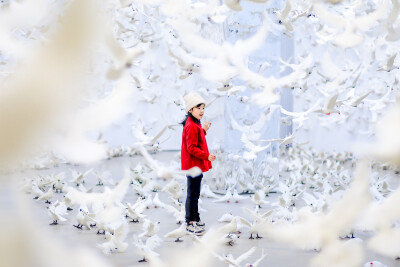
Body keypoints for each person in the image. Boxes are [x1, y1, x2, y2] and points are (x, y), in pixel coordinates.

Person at [181, 92, 216, 235]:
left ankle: (195, 217)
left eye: (203, 108)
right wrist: (206, 156)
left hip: (195, 165)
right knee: (193, 194)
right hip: (193, 165)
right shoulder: (191, 126)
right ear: (190, 110)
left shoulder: (195, 124)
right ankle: (190, 221)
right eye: (198, 108)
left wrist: (204, 130)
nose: (201, 111)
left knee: (195, 193)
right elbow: (191, 147)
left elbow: (197, 138)